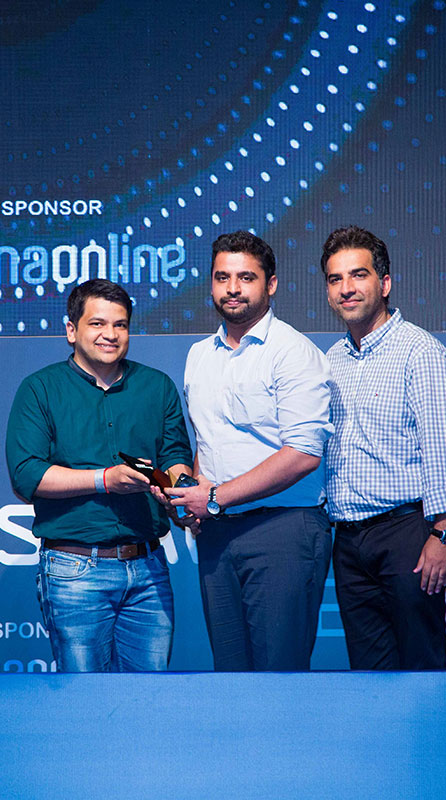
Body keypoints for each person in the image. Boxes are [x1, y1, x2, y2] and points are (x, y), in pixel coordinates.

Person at [166, 230, 333, 672]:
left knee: (278, 676)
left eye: (246, 277)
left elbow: (303, 453)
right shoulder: (199, 355)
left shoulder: (293, 352)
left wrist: (214, 497)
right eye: (222, 277)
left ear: (271, 284)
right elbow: (208, 441)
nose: (233, 288)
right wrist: (194, 498)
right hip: (217, 533)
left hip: (283, 529)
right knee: (230, 675)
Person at [5, 279, 192, 672]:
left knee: (150, 697)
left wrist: (177, 488)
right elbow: (27, 475)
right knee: (84, 698)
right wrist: (104, 480)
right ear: (71, 330)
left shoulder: (157, 386)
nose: (110, 334)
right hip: (74, 569)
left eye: (120, 325)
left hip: (149, 568)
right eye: (97, 324)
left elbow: (175, 455)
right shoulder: (40, 389)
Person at [320, 225, 446, 670]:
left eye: (358, 275)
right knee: (368, 675)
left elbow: (445, 447)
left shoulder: (420, 352)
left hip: (407, 535)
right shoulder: (330, 361)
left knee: (420, 667)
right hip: (349, 541)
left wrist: (444, 535)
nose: (346, 288)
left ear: (384, 283)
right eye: (335, 279)